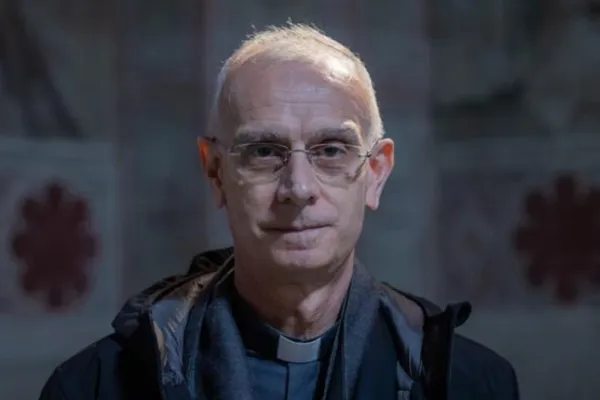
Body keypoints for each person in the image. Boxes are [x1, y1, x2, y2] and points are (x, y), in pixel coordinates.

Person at [39, 24, 519, 400]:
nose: (298, 188)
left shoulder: (470, 385)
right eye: (264, 152)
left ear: (375, 173)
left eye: (331, 150)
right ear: (215, 173)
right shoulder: (93, 387)